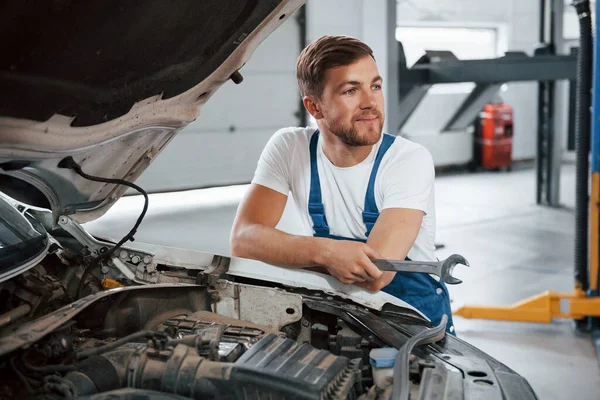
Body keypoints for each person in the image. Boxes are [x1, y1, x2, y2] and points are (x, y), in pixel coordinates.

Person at [230, 35, 454, 334]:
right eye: (351, 90)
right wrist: (326, 253)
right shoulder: (290, 146)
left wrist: (284, 251)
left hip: (414, 323)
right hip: (339, 314)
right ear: (315, 107)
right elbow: (243, 241)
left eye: (375, 86)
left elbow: (376, 276)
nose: (370, 102)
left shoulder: (408, 160)